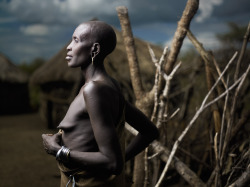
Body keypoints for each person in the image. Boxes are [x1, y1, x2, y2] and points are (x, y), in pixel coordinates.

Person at [42, 21, 159, 187]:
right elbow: (150, 131)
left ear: (95, 49)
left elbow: (112, 162)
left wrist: (59, 151)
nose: (69, 47)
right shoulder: (108, 86)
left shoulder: (94, 90)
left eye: (76, 40)